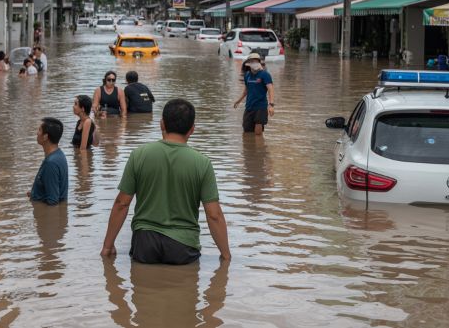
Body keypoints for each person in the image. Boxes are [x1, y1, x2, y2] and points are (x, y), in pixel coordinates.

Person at [100, 99, 231, 264]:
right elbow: (214, 215)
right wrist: (226, 255)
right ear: (192, 129)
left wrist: (108, 246)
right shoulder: (202, 163)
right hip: (183, 246)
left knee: (142, 288)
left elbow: (122, 204)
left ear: (162, 124)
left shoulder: (139, 155)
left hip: (144, 243)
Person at [27, 117, 68, 206]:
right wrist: (35, 194)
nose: (37, 133)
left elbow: (53, 203)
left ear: (45, 136)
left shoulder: (51, 163)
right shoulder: (59, 155)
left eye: (39, 130)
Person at [233, 53, 275, 135]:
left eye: (256, 61)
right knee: (247, 132)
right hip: (249, 107)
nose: (254, 63)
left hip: (260, 107)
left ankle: (259, 147)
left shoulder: (265, 74)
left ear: (259, 62)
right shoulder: (247, 75)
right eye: (252, 61)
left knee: (258, 133)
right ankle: (251, 147)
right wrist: (238, 101)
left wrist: (271, 105)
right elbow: (246, 91)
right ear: (248, 63)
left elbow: (270, 89)